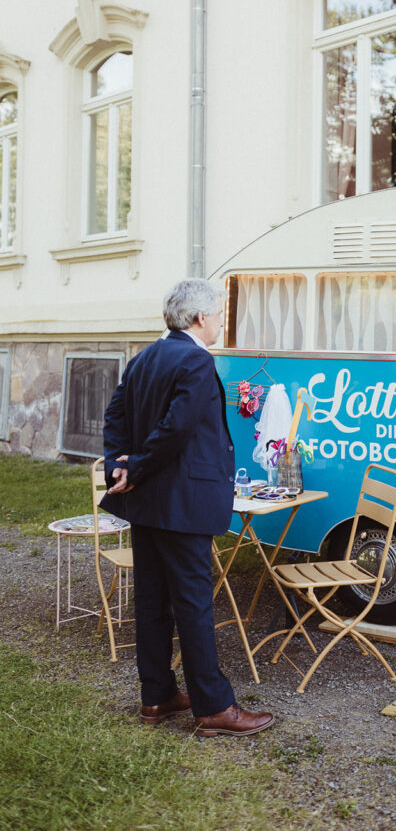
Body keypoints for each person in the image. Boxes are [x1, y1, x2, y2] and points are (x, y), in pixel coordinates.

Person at [101, 278, 274, 737]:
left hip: (147, 504)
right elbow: (176, 429)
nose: (220, 323)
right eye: (218, 315)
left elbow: (114, 415)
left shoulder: (144, 357)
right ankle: (213, 708)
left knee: (152, 601)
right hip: (183, 503)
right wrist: (134, 466)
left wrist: (119, 465)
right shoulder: (196, 360)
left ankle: (157, 696)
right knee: (194, 605)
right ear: (200, 318)